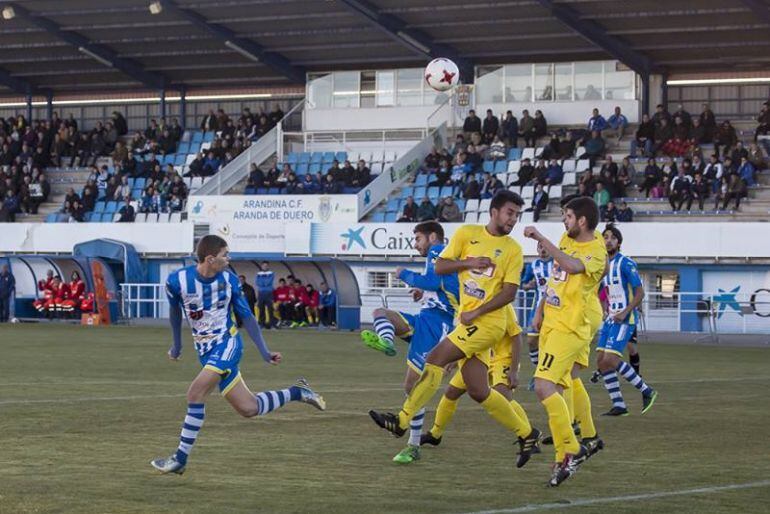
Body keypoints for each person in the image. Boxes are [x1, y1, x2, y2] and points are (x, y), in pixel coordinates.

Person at [368, 191, 542, 470]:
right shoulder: (466, 234)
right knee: (478, 390)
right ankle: (527, 433)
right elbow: (440, 267)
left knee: (435, 358)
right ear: (494, 212)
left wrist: (477, 311)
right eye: (510, 212)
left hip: (488, 323)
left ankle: (401, 421)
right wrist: (469, 263)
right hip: (468, 322)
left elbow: (509, 293)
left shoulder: (513, 250)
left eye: (516, 215)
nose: (513, 219)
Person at [150, 235, 326, 475]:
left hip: (228, 344)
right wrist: (177, 346)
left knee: (195, 393)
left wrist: (264, 351)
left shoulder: (230, 280)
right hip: (206, 351)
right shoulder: (176, 281)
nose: (228, 259)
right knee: (249, 408)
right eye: (225, 255)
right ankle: (298, 392)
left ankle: (180, 458)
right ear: (210, 259)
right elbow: (174, 313)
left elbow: (247, 316)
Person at [522, 197, 606, 486]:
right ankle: (565, 457)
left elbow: (570, 266)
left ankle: (573, 448)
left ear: (582, 221)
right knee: (561, 385)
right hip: (553, 323)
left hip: (569, 328)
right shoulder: (565, 238)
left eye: (568, 216)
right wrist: (540, 310)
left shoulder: (597, 250)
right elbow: (556, 279)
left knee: (544, 386)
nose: (565, 221)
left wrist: (540, 237)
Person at [360, 221, 460, 464]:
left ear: (432, 237)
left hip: (438, 325)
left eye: (418, 239)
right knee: (380, 314)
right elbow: (440, 287)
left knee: (412, 387)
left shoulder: (439, 251)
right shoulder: (440, 257)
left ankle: (413, 445)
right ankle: (387, 342)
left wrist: (404, 274)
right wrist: (423, 293)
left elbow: (435, 282)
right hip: (425, 319)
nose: (415, 245)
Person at [596, 224, 658, 416]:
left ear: (619, 242)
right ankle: (619, 405)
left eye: (612, 237)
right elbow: (604, 290)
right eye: (605, 237)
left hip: (625, 318)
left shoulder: (626, 263)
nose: (608, 240)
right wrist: (604, 307)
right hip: (610, 319)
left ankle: (647, 391)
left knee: (611, 359)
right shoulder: (604, 264)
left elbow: (640, 292)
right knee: (601, 361)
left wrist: (625, 311)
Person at [520, 242, 553, 389]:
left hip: (555, 309)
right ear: (537, 249)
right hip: (537, 308)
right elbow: (524, 284)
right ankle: (539, 370)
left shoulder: (557, 263)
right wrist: (529, 285)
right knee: (531, 340)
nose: (543, 250)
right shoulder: (532, 266)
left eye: (545, 247)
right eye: (540, 247)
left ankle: (542, 375)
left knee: (549, 343)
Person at [255, 261, 276, 329]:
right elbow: (257, 282)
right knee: (261, 309)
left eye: (266, 266)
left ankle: (272, 324)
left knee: (270, 309)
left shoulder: (271, 273)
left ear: (268, 266)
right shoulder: (258, 273)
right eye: (264, 266)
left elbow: (269, 281)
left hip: (269, 293)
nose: (265, 267)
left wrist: (263, 282)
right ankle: (262, 324)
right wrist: (264, 282)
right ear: (261, 266)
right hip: (261, 293)